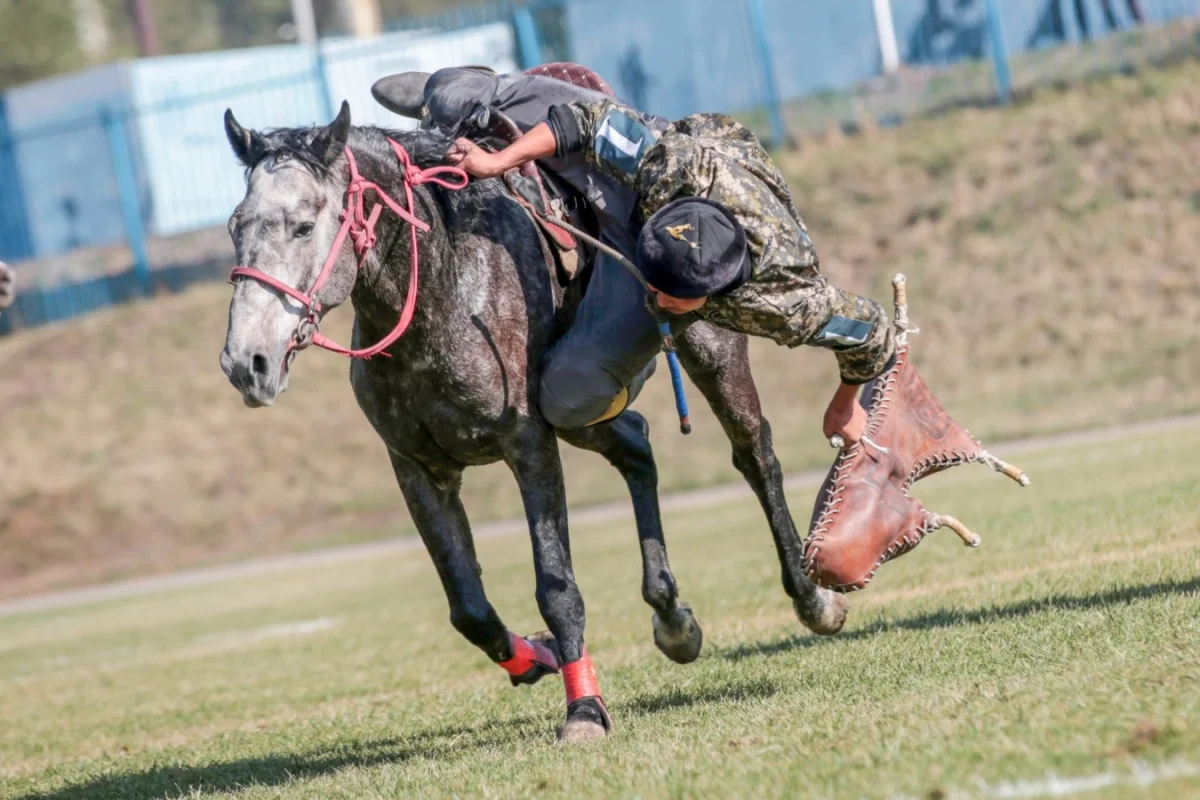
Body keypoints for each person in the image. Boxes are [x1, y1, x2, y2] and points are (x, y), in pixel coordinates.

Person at [445, 97, 896, 443]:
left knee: (565, 400)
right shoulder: (674, 170)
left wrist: (844, 405)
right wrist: (495, 162)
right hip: (682, 154)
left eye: (670, 297)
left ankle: (633, 369)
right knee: (503, 101)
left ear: (712, 294)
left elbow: (873, 330)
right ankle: (480, 90)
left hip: (735, 213)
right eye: (654, 284)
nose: (656, 298)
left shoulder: (787, 303)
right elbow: (587, 120)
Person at [373, 66, 672, 427]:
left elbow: (577, 126)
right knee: (567, 398)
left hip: (641, 206)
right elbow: (571, 124)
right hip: (620, 166)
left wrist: (494, 158)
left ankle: (634, 368)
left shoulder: (668, 172)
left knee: (568, 396)